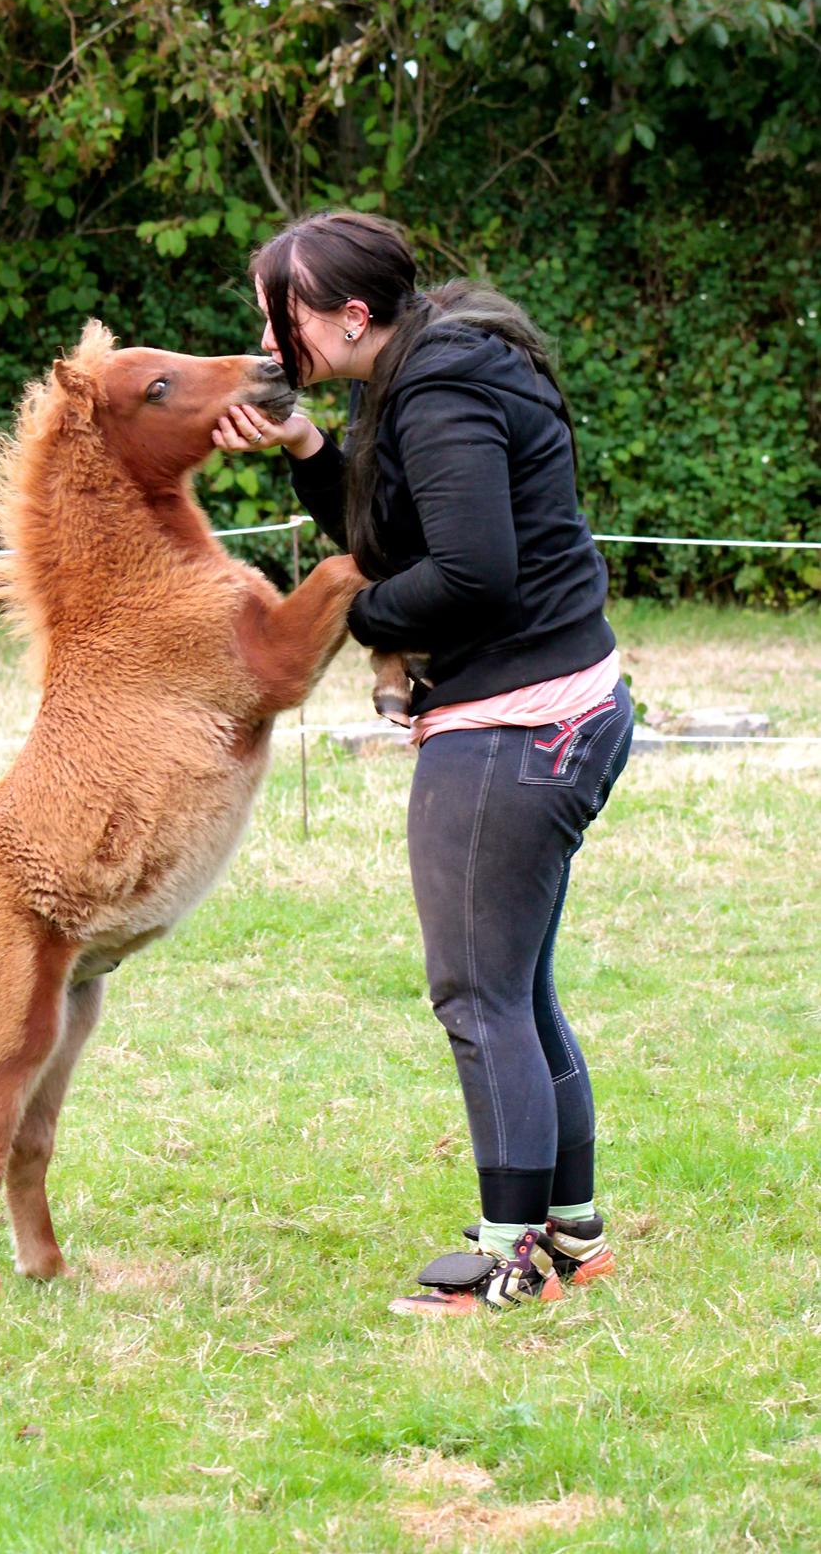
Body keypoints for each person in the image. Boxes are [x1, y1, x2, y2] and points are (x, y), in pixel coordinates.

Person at [213, 211, 634, 1315]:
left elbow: (470, 575)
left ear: (348, 315)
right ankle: (568, 1232)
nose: (267, 334)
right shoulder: (420, 359)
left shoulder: (439, 387)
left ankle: (506, 1262)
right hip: (558, 705)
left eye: (279, 313)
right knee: (516, 992)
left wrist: (363, 617)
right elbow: (396, 532)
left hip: (515, 724)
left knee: (476, 996)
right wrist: (307, 448)